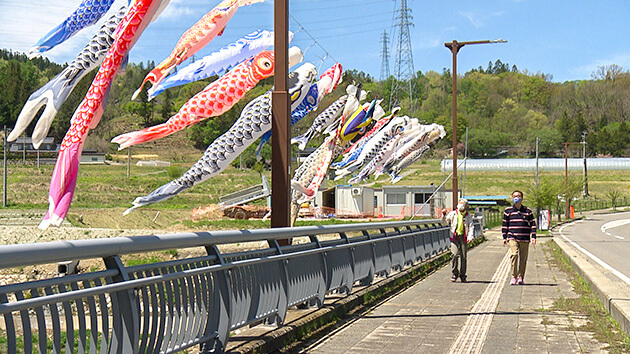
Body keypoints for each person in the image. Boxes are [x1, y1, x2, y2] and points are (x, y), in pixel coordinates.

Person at [502, 190, 537, 285]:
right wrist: (504, 237)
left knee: (523, 258)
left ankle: (521, 276)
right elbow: (505, 224)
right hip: (512, 237)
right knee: (514, 255)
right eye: (514, 196)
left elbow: (533, 224)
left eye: (518, 196)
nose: (516, 198)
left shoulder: (527, 211)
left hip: (525, 238)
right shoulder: (508, 211)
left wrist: (533, 236)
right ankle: (513, 276)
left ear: (522, 198)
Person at [441, 198, 474, 282]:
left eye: (462, 204)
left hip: (464, 237)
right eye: (459, 203)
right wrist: (443, 215)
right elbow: (444, 223)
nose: (460, 205)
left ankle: (463, 275)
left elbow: (471, 226)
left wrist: (470, 237)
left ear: (466, 206)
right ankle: (455, 272)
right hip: (454, 237)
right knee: (454, 254)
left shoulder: (467, 215)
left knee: (463, 256)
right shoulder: (453, 214)